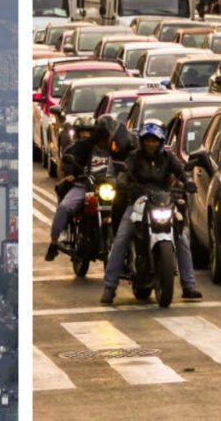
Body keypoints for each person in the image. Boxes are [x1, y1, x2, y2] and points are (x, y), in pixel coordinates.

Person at [101, 120, 199, 304]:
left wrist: (188, 182)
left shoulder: (168, 157)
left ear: (161, 141)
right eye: (148, 140)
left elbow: (180, 171)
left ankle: (189, 285)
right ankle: (109, 287)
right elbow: (125, 171)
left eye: (155, 140)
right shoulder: (134, 157)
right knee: (122, 237)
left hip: (164, 201)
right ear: (142, 141)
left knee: (182, 237)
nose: (151, 144)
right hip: (139, 201)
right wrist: (121, 180)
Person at [46, 115, 115, 261]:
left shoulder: (115, 149)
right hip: (84, 186)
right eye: (103, 135)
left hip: (108, 188)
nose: (105, 139)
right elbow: (70, 159)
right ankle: (53, 242)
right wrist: (71, 174)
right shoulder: (83, 145)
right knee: (64, 206)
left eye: (108, 135)